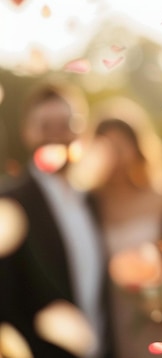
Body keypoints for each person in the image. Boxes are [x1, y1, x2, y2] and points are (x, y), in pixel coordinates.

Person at [0, 80, 112, 357]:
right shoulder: (10, 202)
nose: (56, 136)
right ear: (27, 132)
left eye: (66, 124)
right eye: (45, 126)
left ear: (81, 131)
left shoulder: (93, 200)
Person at [78, 97, 162, 357]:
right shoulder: (88, 204)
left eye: (122, 147)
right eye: (107, 148)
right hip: (109, 315)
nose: (116, 157)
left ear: (137, 147)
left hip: (159, 315)